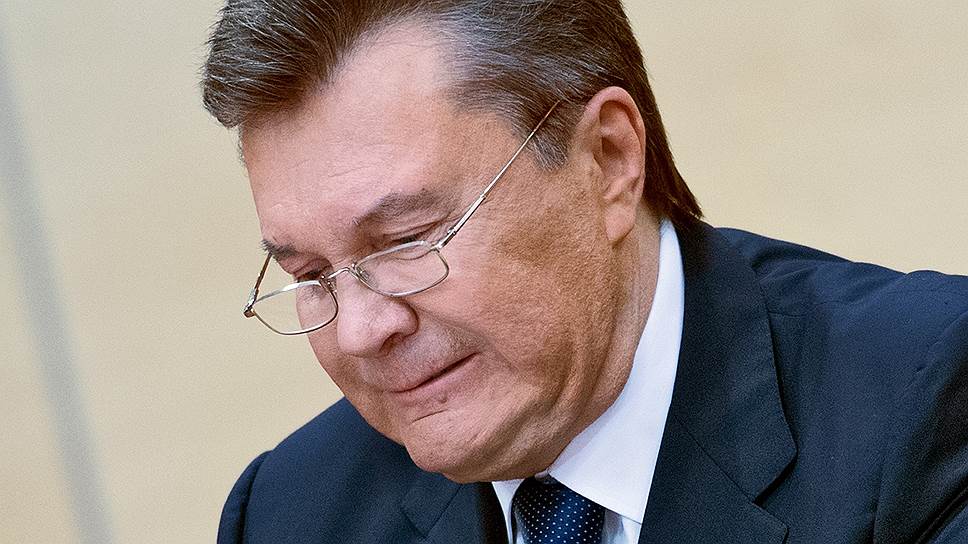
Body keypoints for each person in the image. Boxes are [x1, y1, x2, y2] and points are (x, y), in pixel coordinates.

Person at [201, 1, 968, 542]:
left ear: (607, 160)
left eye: (405, 240)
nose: (362, 331)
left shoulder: (921, 403)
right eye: (310, 273)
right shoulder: (290, 515)